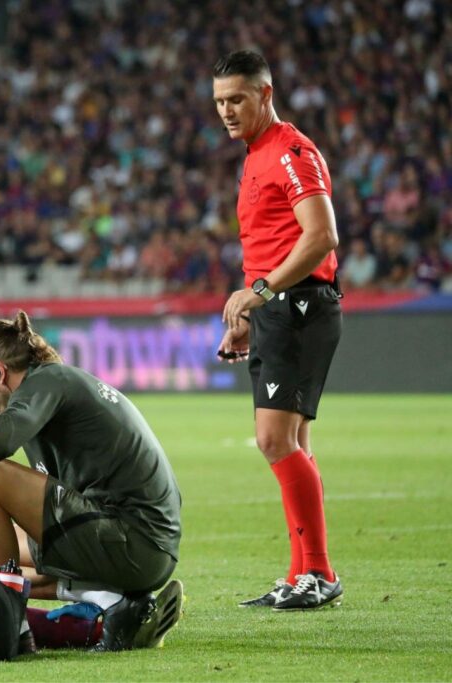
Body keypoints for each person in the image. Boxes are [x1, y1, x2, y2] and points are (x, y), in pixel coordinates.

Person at [0, 311, 183, 652]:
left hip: (135, 540)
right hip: (127, 540)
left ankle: (10, 627)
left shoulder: (47, 383)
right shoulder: (47, 389)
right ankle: (113, 600)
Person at [213, 50, 343, 610]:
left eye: (237, 99)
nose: (226, 110)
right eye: (219, 101)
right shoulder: (255, 155)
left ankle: (318, 572)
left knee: (273, 440)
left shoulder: (291, 151)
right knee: (293, 444)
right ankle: (301, 574)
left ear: (265, 94)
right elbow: (269, 246)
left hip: (300, 306)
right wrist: (250, 313)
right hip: (279, 309)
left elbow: (321, 236)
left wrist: (261, 294)